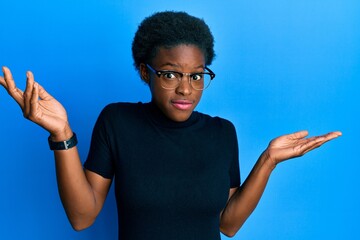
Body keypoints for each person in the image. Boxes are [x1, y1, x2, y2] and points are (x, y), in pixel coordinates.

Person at [0, 11, 341, 240]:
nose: (186, 89)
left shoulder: (222, 133)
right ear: (146, 72)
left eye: (196, 76)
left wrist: (267, 161)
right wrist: (62, 135)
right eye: (170, 74)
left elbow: (229, 224)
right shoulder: (117, 121)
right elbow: (82, 217)